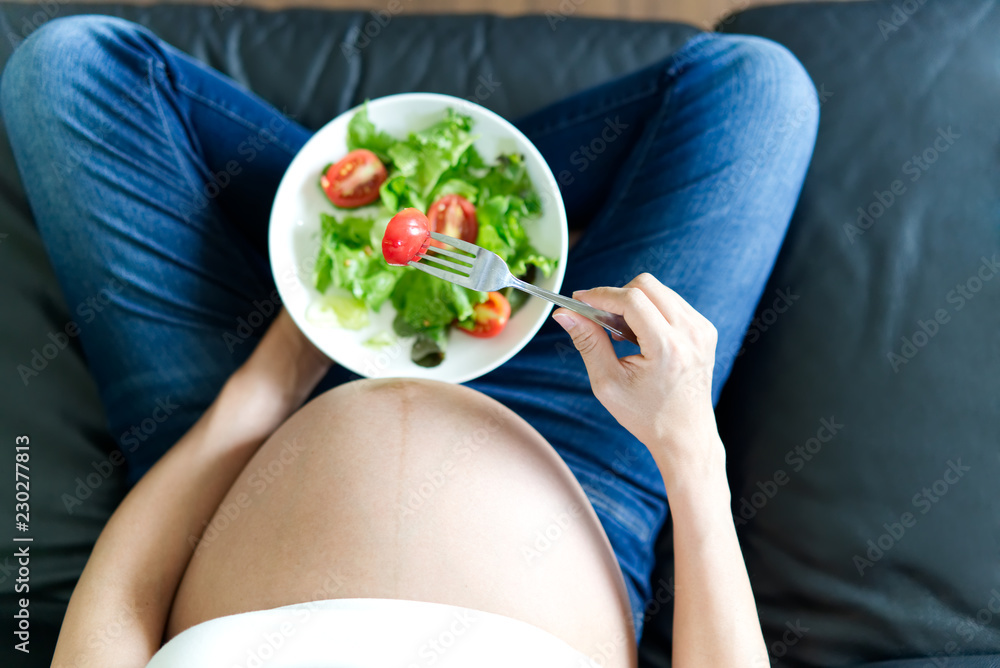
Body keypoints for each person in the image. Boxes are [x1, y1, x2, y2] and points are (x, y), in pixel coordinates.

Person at [0, 13, 818, 668]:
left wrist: (261, 391)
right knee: (757, 88)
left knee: (67, 70)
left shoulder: (250, 408)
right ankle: (401, 215)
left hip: (237, 456)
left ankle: (379, 216)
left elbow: (110, 624)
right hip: (583, 454)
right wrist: (688, 452)